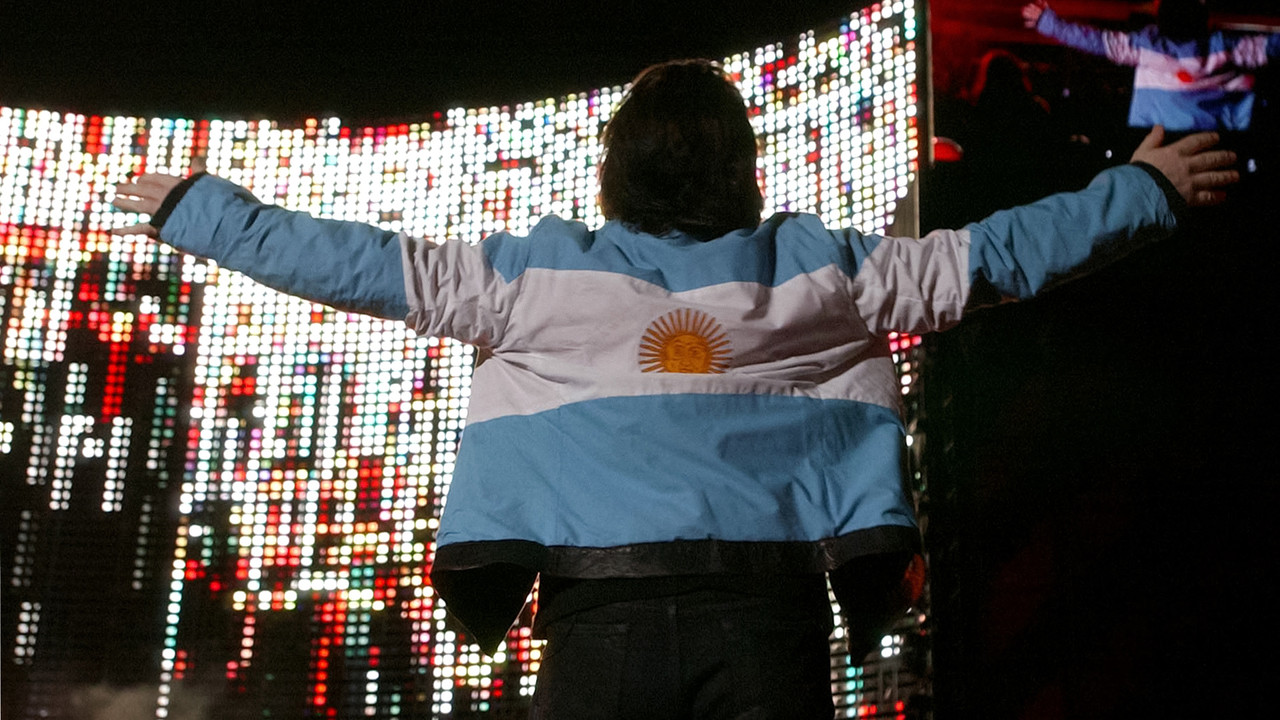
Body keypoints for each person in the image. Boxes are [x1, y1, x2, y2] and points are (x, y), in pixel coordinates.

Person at [112, 59, 1237, 719]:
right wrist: (1140, 188)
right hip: (769, 626)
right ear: (741, 165)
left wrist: (190, 207)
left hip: (595, 629)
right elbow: (992, 255)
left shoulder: (524, 281)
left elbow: (344, 260)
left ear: (614, 168)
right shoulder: (822, 271)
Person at [1022, 0, 1280, 132]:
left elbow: (1096, 41)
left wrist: (1049, 23)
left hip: (1154, 142)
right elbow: (1271, 47)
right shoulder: (1226, 47)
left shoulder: (1145, 46)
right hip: (1213, 139)